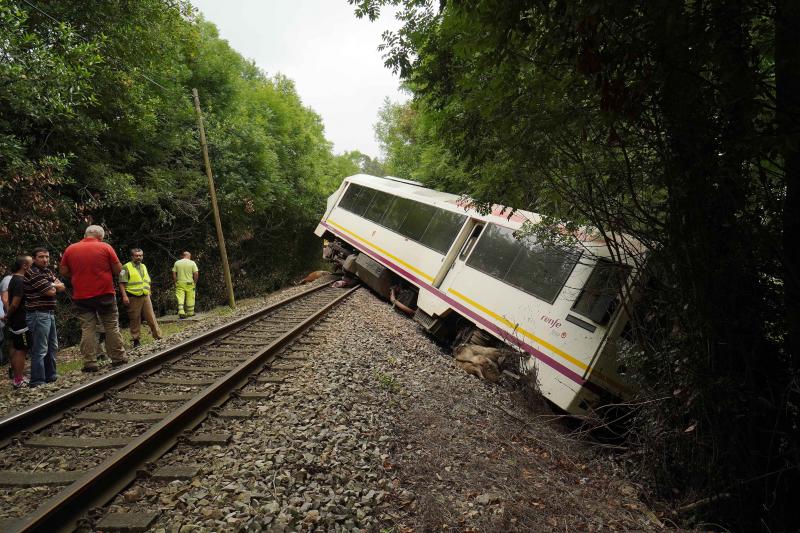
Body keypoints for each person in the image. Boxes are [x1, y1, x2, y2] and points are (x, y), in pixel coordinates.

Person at [60, 225, 127, 372]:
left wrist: (79, 275)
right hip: (105, 293)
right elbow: (118, 270)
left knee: (87, 328)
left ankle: (90, 362)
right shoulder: (105, 247)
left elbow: (64, 271)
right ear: (100, 236)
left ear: (85, 234)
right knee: (111, 326)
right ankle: (118, 357)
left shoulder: (71, 249)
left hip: (81, 296)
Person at [24, 247, 65, 386]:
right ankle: (37, 380)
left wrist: (53, 285)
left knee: (52, 346)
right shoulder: (32, 272)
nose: (45, 259)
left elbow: (62, 287)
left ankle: (51, 376)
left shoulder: (47, 271)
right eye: (41, 257)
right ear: (34, 259)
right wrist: (54, 285)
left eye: (47, 257)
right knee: (40, 349)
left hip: (49, 313)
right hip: (38, 314)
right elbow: (50, 292)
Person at [119, 248, 162, 348]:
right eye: (136, 255)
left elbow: (146, 280)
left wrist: (149, 291)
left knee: (151, 316)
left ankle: (158, 336)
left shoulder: (143, 266)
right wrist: (124, 296)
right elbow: (121, 283)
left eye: (140, 255)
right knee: (135, 318)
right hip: (133, 296)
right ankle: (136, 339)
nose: (139, 257)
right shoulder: (126, 267)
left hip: (145, 295)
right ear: (132, 256)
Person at [7, 256, 32, 387]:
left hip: (15, 320)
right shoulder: (20, 281)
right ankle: (18, 379)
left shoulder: (13, 279)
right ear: (24, 266)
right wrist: (8, 315)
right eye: (31, 265)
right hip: (21, 320)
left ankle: (17, 377)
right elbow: (15, 303)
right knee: (21, 350)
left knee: (15, 346)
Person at [172, 251, 199, 319]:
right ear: (189, 256)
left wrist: (175, 282)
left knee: (180, 297)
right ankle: (190, 312)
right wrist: (194, 283)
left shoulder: (177, 263)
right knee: (191, 297)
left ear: (183, 256)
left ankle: (181, 312)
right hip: (190, 283)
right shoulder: (192, 263)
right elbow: (196, 273)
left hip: (180, 283)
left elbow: (174, 273)